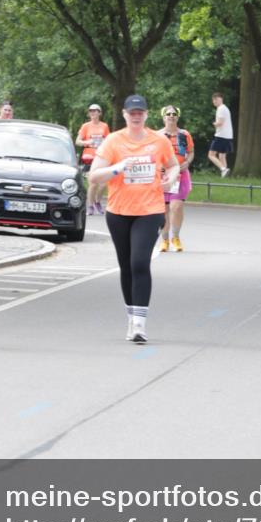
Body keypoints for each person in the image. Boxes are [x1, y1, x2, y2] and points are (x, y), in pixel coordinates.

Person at [90, 94, 179, 344]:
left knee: (140, 263)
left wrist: (171, 178)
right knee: (126, 266)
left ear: (146, 115)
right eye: (132, 113)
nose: (136, 116)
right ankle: (131, 317)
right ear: (125, 115)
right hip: (118, 212)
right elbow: (94, 176)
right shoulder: (113, 141)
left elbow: (173, 165)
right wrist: (118, 168)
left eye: (140, 112)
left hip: (150, 210)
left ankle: (140, 325)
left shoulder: (159, 141)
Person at [158, 105, 194, 252]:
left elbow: (191, 152)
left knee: (176, 206)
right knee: (164, 209)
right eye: (168, 114)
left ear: (177, 117)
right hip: (162, 176)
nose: (171, 116)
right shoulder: (157, 135)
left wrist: (188, 162)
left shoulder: (184, 134)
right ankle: (165, 240)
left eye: (174, 114)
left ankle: (176, 237)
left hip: (180, 175)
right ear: (164, 117)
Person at [76, 104, 110, 215]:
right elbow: (77, 141)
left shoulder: (104, 126)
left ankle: (97, 202)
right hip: (89, 157)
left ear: (100, 113)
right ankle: (90, 206)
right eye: (91, 111)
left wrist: (104, 142)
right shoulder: (85, 126)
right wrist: (87, 142)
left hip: (101, 156)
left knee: (103, 183)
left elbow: (108, 140)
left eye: (95, 111)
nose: (93, 113)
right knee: (93, 183)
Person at [208, 91, 233, 177]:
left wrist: (214, 124)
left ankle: (223, 169)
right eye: (213, 100)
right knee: (222, 156)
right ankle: (224, 176)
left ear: (221, 99)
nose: (214, 101)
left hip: (221, 136)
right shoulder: (225, 108)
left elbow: (220, 123)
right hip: (228, 136)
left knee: (211, 155)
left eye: (216, 99)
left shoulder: (221, 108)